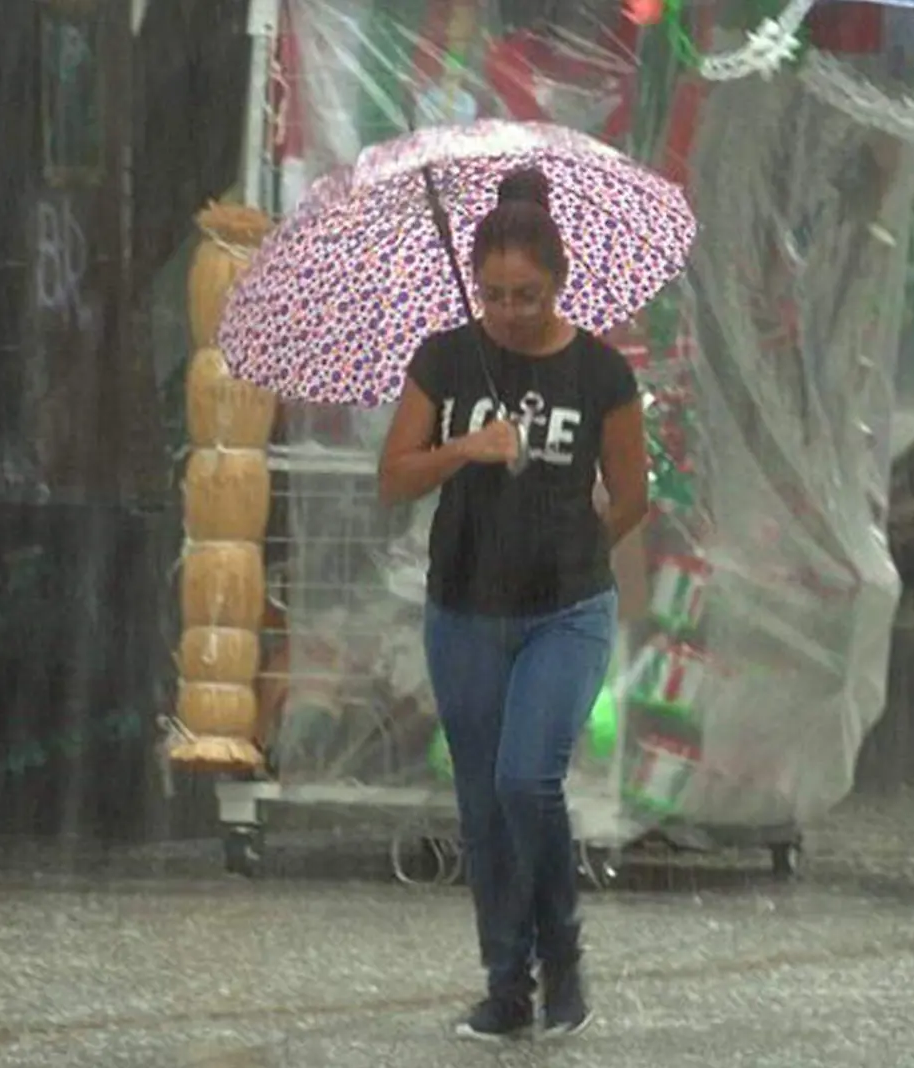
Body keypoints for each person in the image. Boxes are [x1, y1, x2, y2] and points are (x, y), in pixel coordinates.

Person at [378, 166, 648, 1042]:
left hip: (564, 611)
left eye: (526, 295)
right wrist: (466, 446)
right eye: (493, 294)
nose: (507, 310)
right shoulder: (448, 358)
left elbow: (633, 493)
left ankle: (561, 950)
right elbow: (395, 478)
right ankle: (506, 985)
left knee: (525, 778)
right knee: (482, 804)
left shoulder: (600, 372)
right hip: (462, 609)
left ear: (558, 281)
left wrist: (577, 553)